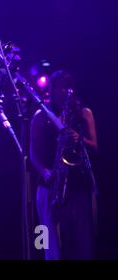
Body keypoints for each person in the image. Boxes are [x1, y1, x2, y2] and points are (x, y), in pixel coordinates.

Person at [30, 70, 98, 260]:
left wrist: (79, 139)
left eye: (68, 87)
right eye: (60, 87)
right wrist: (45, 173)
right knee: (50, 245)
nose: (64, 91)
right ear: (51, 90)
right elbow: (32, 154)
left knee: (83, 244)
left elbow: (95, 147)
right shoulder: (40, 115)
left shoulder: (84, 113)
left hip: (78, 186)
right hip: (49, 186)